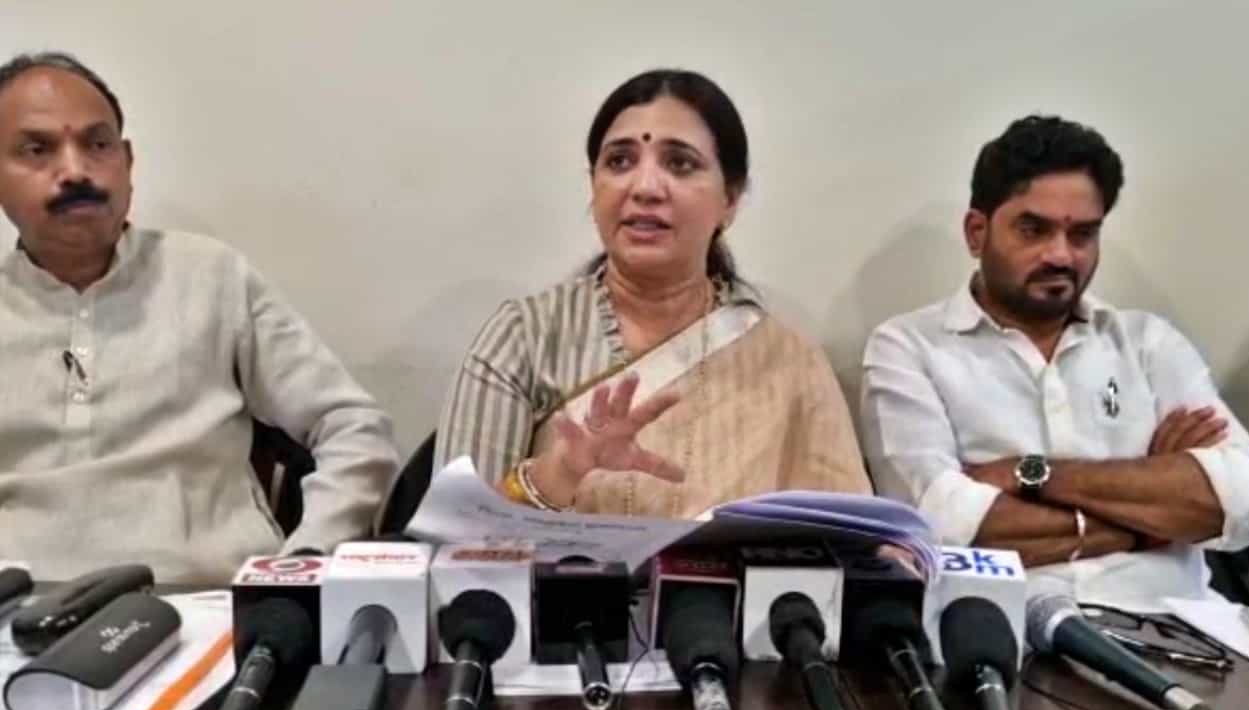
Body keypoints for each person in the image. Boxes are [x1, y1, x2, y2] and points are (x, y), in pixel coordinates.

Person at [0, 52, 399, 582]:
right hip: (17, 607)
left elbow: (353, 426)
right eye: (37, 149)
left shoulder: (211, 276)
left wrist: (305, 561)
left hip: (206, 600)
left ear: (127, 163)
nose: (75, 171)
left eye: (98, 145)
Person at [860, 115, 1249, 610]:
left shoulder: (1147, 344)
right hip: (1011, 635)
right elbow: (937, 526)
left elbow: (1244, 501)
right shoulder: (909, 348)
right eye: (1033, 230)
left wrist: (1031, 473)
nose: (1060, 255)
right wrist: (1151, 516)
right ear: (976, 232)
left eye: (1082, 234)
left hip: (1180, 624)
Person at [434, 69, 870, 516]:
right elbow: (451, 535)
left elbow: (859, 537)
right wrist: (557, 474)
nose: (644, 188)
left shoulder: (788, 363)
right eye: (620, 161)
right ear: (593, 185)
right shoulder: (524, 338)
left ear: (730, 199)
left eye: (680, 164)